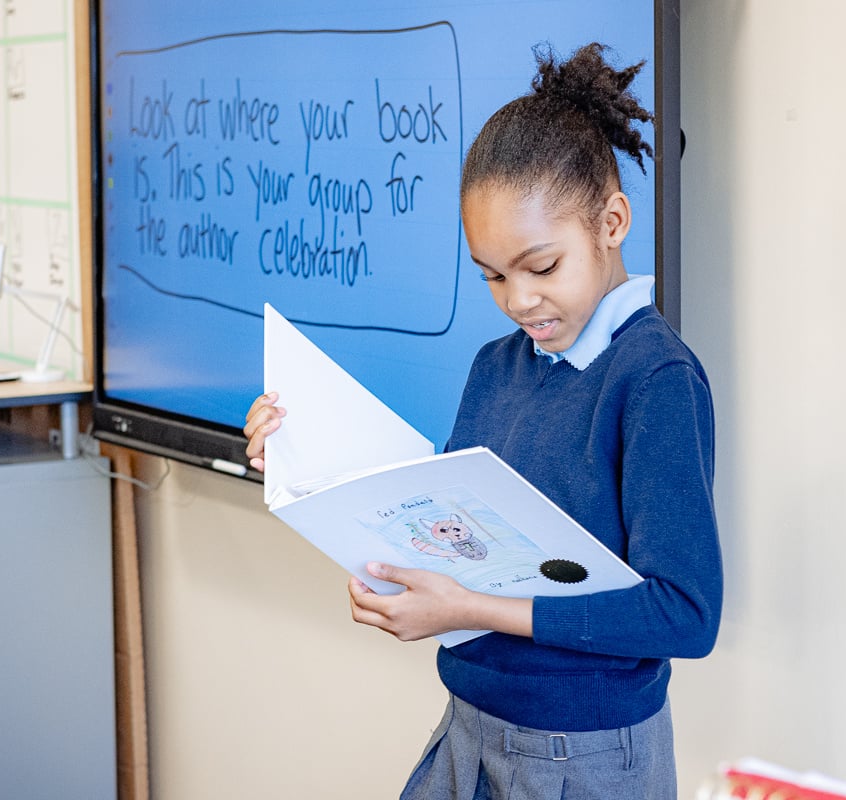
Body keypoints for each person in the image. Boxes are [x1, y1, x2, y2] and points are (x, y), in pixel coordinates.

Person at [243, 42, 721, 800]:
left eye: (542, 267)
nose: (518, 300)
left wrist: (466, 609)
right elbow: (445, 527)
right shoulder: (498, 365)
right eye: (494, 275)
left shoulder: (656, 379)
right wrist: (301, 462)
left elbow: (685, 616)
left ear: (612, 222)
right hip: (469, 725)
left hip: (585, 753)